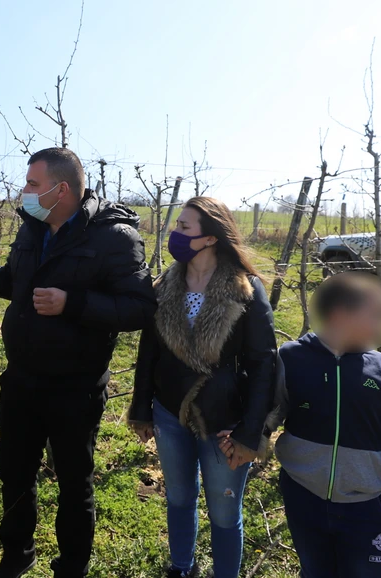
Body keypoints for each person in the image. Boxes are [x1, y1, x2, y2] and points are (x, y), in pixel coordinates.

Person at [0, 147, 155, 578]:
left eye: (33, 185)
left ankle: (72, 566)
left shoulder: (115, 237)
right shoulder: (33, 229)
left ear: (61, 190)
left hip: (75, 386)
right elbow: (10, 284)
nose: (25, 192)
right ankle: (16, 555)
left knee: (75, 482)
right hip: (21, 380)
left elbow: (139, 308)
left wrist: (72, 304)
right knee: (14, 473)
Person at [231, 272, 381, 577]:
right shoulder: (292, 357)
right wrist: (247, 440)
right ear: (341, 315)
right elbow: (271, 412)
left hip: (365, 507)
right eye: (376, 315)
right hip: (303, 499)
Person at [128, 197, 278, 578]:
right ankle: (182, 567)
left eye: (184, 227)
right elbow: (149, 354)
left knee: (224, 511)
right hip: (167, 410)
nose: (174, 234)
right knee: (178, 498)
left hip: (225, 421)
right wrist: (142, 408)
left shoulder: (246, 289)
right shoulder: (163, 286)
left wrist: (251, 432)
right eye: (177, 225)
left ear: (210, 238)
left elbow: (263, 364)